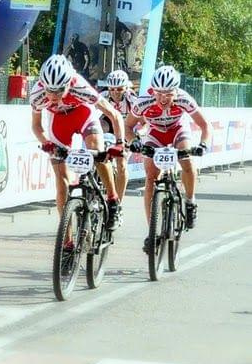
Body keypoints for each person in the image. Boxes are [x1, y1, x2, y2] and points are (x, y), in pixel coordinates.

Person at [30, 54, 125, 231]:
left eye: (59, 91)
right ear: (43, 84)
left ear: (68, 83)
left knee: (97, 151)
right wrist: (46, 142)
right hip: (59, 122)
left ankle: (113, 200)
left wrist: (119, 143)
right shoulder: (37, 94)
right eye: (49, 90)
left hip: (83, 114)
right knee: (61, 179)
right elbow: (36, 125)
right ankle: (67, 242)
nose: (53, 95)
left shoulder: (79, 85)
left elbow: (114, 114)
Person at [125, 65, 211, 251]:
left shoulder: (184, 99)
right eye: (159, 93)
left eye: (168, 94)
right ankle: (152, 232)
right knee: (150, 177)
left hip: (178, 130)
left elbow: (205, 125)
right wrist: (134, 142)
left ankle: (190, 202)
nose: (163, 98)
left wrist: (203, 144)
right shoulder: (143, 101)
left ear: (176, 91)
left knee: (187, 159)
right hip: (155, 133)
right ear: (153, 91)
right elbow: (127, 127)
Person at [100, 70, 137, 201]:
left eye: (120, 89)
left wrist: (137, 136)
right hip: (108, 127)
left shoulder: (132, 99)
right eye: (112, 89)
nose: (115, 92)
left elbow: (143, 122)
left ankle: (118, 204)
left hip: (125, 129)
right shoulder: (102, 96)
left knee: (121, 165)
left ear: (126, 88)